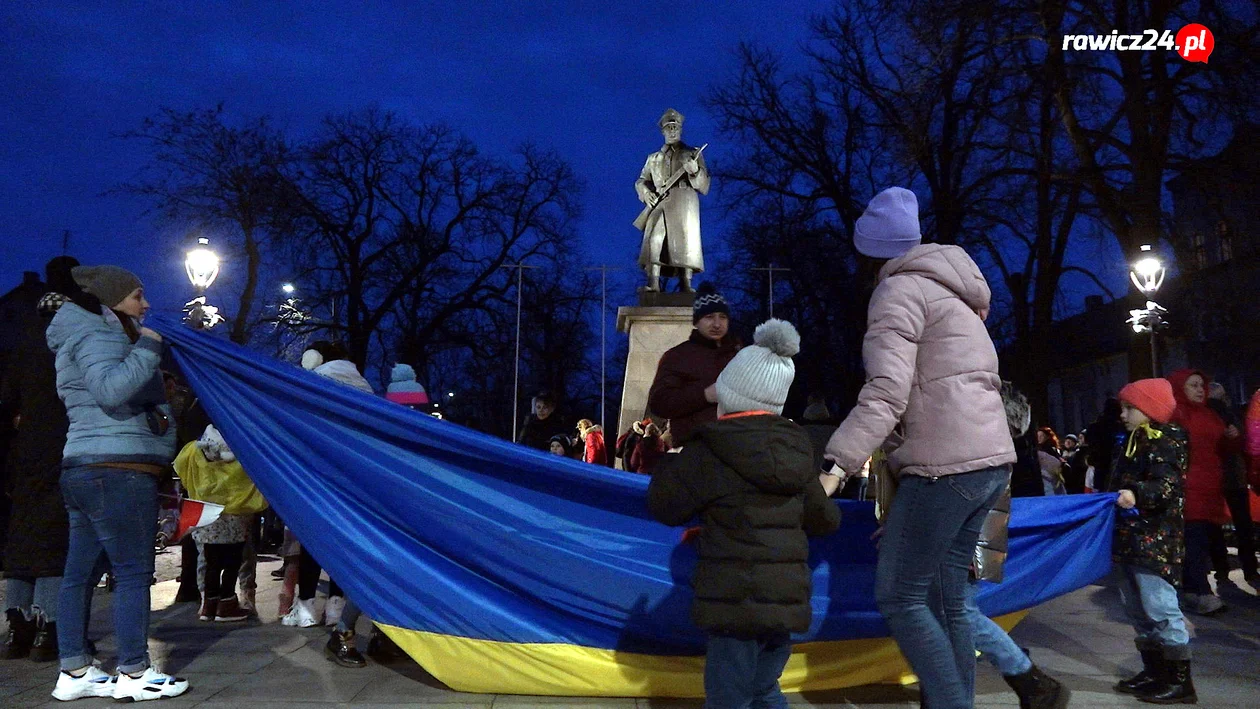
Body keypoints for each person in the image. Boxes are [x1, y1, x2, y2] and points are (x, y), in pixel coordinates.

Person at [821, 187, 1015, 709]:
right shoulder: (955, 294)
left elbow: (886, 393)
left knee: (899, 595)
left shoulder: (898, 293)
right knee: (950, 598)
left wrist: (835, 464)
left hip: (944, 465)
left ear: (871, 249)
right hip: (990, 460)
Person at [647, 319, 840, 708]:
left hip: (732, 605)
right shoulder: (798, 452)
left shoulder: (708, 451)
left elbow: (665, 507)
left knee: (727, 698)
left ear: (727, 396)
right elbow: (825, 520)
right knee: (764, 689)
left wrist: (669, 460)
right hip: (784, 603)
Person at [46, 265, 188, 701]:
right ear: (112, 302)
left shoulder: (81, 335)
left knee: (80, 574)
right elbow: (110, 390)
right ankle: (134, 671)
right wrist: (148, 347)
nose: (145, 305)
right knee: (131, 574)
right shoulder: (98, 335)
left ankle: (74, 673)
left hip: (87, 467)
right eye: (137, 296)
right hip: (118, 470)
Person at [969, 382, 1068, 708]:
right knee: (955, 614)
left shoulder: (988, 448)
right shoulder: (993, 445)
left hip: (975, 532)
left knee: (957, 613)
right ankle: (1026, 677)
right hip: (979, 530)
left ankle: (1028, 677)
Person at [2, 257, 80, 662]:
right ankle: (48, 631)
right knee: (55, 543)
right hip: (65, 444)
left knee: (23, 542)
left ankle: (16, 627)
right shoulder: (76, 328)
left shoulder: (25, 334)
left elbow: (8, 396)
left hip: (26, 450)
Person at [1108, 378, 1196, 704]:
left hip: (1155, 542)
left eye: (1129, 407)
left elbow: (1167, 488)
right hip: (1130, 539)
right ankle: (1155, 670)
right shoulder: (1131, 442)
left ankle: (1179, 681)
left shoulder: (1165, 442)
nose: (1123, 414)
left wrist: (1137, 494)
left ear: (1149, 410)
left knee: (1159, 608)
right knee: (1136, 608)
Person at [174, 425, 266, 623]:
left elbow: (180, 467)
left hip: (207, 516)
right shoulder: (241, 457)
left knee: (211, 563)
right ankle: (226, 604)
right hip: (236, 516)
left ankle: (208, 605)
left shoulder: (194, 453)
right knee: (232, 563)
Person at [1167, 369, 1238, 615]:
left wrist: (1231, 437)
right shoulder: (1175, 415)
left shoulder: (1209, 413)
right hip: (1188, 486)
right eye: (1193, 385)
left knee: (1202, 539)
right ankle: (1202, 592)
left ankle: (1191, 590)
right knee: (1194, 539)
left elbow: (1222, 448)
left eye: (1201, 385)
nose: (1199, 390)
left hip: (1210, 486)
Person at [646, 283, 739, 443]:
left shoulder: (740, 355)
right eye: (709, 317)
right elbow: (659, 403)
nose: (717, 324)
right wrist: (704, 395)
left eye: (722, 317)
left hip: (738, 445)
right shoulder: (677, 356)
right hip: (695, 449)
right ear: (697, 321)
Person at [635, 108, 710, 292]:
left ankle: (686, 283)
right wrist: (646, 192)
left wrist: (694, 171)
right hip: (661, 201)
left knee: (684, 240)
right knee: (654, 236)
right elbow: (641, 180)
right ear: (663, 131)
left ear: (681, 129)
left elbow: (704, 185)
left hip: (684, 202)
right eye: (669, 127)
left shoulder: (692, 153)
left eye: (676, 126)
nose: (673, 130)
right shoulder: (653, 159)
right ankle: (653, 283)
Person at [1206, 382, 1259, 586]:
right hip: (1235, 476)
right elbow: (1245, 443)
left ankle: (1221, 569)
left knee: (1215, 526)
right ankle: (1250, 569)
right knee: (1243, 524)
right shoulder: (1231, 414)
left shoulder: (1204, 415)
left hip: (1214, 477)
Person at [1084, 398, 1124, 494]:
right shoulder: (1120, 427)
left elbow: (1089, 442)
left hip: (1100, 466)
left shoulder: (1095, 426)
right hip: (1116, 466)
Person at [1035, 427, 1067, 496]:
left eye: (1041, 436)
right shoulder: (1037, 449)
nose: (1039, 438)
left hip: (1051, 478)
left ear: (1047, 437)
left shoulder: (1051, 450)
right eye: (1038, 436)